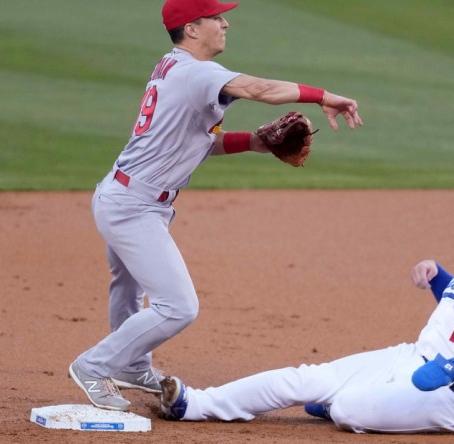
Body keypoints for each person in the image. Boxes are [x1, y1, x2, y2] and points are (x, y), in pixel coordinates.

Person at [68, 0, 363, 412]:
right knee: (178, 307)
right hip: (133, 206)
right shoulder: (197, 72)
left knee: (129, 290)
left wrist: (255, 143)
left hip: (126, 196)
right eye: (216, 17)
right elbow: (262, 90)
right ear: (191, 28)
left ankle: (131, 366)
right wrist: (323, 96)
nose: (225, 23)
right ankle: (93, 366)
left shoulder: (173, 67)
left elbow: (199, 139)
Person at [159, 196, 454, 434]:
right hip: (408, 358)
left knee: (348, 407)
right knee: (308, 378)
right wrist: (438, 276)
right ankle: (195, 404)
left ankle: (337, 405)